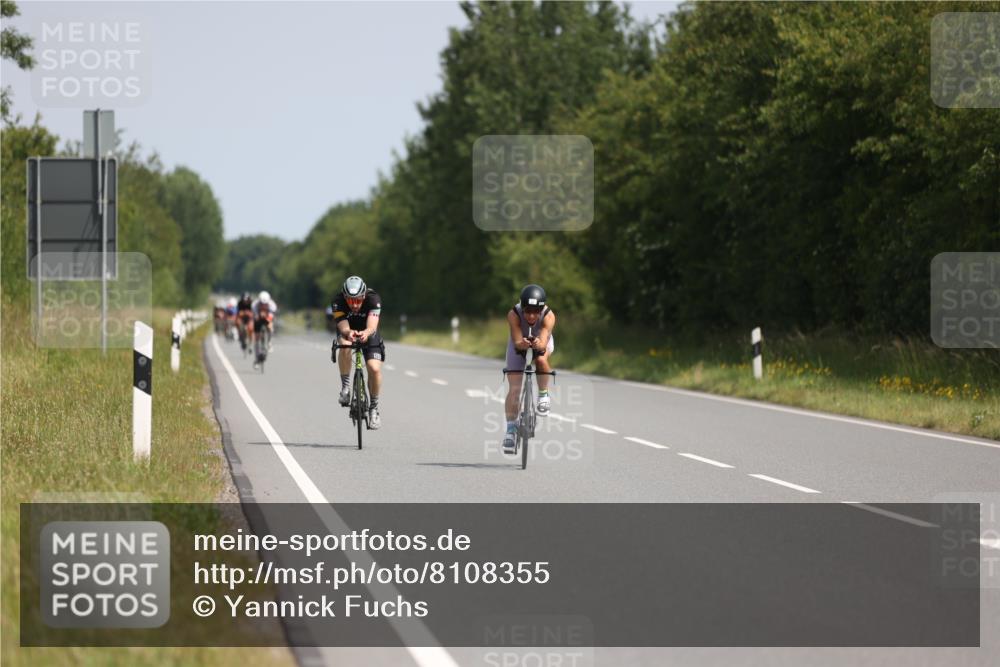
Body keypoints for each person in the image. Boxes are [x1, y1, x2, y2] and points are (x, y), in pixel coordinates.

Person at [503, 284, 556, 454]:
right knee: (515, 388)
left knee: (541, 358)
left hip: (541, 341)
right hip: (518, 343)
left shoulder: (549, 316)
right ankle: (510, 430)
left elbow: (543, 337)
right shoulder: (513, 314)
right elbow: (517, 339)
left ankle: (543, 395)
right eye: (528, 311)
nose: (532, 316)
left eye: (536, 311)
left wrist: (538, 344)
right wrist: (522, 344)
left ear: (541, 310)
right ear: (522, 307)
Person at [330, 276, 384, 429]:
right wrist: (349, 332)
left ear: (364, 295)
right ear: (344, 296)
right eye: (350, 300)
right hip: (348, 330)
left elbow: (372, 326)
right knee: (345, 344)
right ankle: (345, 388)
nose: (354, 304)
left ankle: (374, 408)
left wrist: (366, 332)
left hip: (368, 331)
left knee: (374, 368)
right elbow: (343, 326)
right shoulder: (338, 301)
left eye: (358, 300)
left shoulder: (373, 299)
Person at [251, 290, 277, 366]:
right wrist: (258, 316)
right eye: (261, 304)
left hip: (267, 317)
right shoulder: (254, 305)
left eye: (265, 304)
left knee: (270, 326)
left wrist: (267, 318)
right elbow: (255, 316)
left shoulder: (272, 305)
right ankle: (257, 358)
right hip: (258, 318)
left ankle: (269, 342)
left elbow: (271, 316)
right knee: (257, 338)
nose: (263, 305)